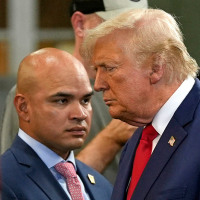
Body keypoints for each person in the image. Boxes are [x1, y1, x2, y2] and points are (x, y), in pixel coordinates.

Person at [0, 0, 147, 183]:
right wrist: (111, 139)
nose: (131, 38)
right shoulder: (35, 92)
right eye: (119, 27)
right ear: (80, 24)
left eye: (138, 28)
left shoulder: (144, 89)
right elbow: (22, 183)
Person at [81, 8, 200, 199]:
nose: (98, 85)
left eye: (109, 68)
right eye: (97, 70)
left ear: (156, 67)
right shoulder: (140, 137)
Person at [0, 48, 112, 200]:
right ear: (23, 107)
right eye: (62, 101)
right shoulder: (5, 180)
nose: (80, 114)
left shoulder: (102, 186)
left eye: (85, 100)